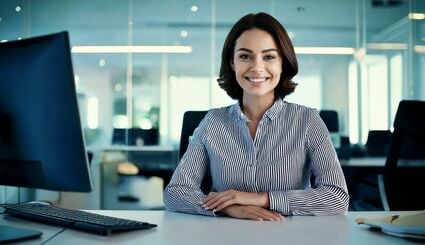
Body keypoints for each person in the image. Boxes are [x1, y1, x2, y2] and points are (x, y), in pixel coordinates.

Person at [163, 12, 349, 221]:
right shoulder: (213, 123)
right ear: (233, 62)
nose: (257, 67)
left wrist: (259, 199)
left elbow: (336, 197)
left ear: (282, 63)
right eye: (245, 56)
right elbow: (176, 192)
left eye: (269, 56)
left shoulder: (307, 121)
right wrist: (229, 208)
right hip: (226, 236)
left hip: (289, 236)